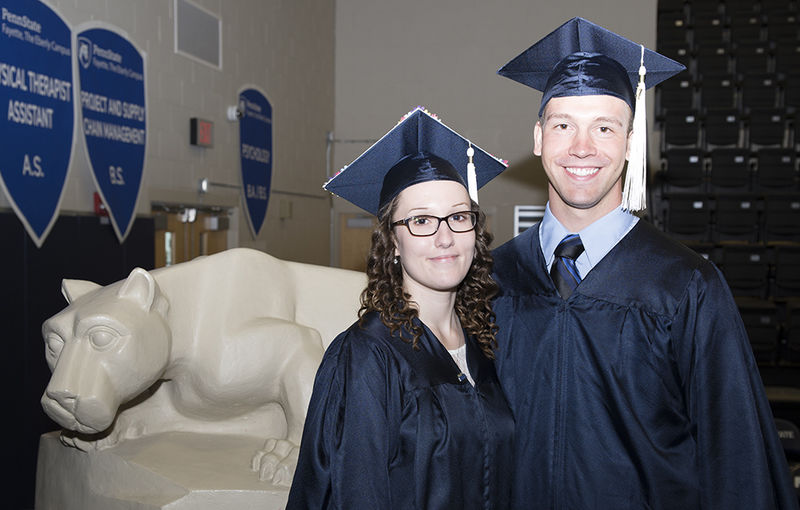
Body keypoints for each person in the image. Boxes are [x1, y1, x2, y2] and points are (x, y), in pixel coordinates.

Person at [491, 17, 799, 509]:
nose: (582, 147)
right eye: (563, 124)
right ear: (538, 137)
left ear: (631, 143)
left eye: (605, 127)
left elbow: (735, 453)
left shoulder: (685, 285)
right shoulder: (493, 278)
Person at [286, 107, 514, 509]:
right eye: (421, 221)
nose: (445, 237)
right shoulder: (367, 356)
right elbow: (358, 494)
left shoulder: (483, 341)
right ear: (392, 242)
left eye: (459, 217)